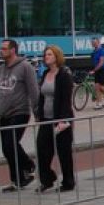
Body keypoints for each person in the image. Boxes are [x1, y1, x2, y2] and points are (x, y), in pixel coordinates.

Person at [0, 38, 38, 192]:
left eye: (4, 48)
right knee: (7, 149)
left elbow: (33, 90)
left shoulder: (25, 67)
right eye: (0, 48)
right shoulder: (1, 69)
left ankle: (28, 165)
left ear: (13, 50)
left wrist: (36, 110)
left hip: (20, 111)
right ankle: (17, 179)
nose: (1, 51)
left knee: (11, 143)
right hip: (4, 113)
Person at [34, 45, 75, 193]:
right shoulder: (46, 73)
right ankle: (47, 179)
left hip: (60, 119)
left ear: (57, 56)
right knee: (41, 149)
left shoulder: (64, 74)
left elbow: (66, 99)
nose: (46, 57)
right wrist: (38, 113)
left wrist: (63, 120)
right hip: (46, 118)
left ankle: (68, 182)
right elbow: (42, 96)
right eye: (45, 54)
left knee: (64, 152)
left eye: (50, 54)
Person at [87, 37, 104, 109]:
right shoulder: (94, 52)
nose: (94, 44)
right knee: (97, 87)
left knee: (101, 87)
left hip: (103, 70)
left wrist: (94, 70)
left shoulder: (103, 51)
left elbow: (101, 63)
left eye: (95, 43)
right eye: (93, 43)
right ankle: (99, 103)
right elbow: (94, 62)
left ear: (98, 43)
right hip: (97, 70)